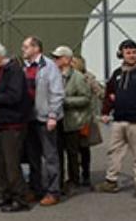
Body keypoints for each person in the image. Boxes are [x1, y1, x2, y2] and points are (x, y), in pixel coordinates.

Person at [96, 39, 136, 199]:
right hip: (119, 121)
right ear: (121, 54)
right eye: (127, 52)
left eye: (134, 52)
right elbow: (109, 94)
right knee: (114, 152)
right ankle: (111, 181)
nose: (131, 55)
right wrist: (105, 112)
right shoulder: (117, 74)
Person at [0, 42, 31, 213]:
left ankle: (20, 198)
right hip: (2, 122)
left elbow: (14, 96)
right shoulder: (3, 71)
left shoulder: (13, 71)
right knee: (2, 163)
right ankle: (6, 194)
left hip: (13, 123)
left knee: (12, 163)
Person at [20, 36, 65, 206]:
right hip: (29, 118)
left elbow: (57, 92)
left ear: (36, 48)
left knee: (50, 156)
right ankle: (35, 188)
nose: (23, 49)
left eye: (26, 46)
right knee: (32, 156)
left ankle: (53, 191)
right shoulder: (24, 68)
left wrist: (53, 115)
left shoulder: (49, 66)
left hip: (45, 118)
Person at [52, 46, 91, 196]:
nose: (55, 60)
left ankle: (74, 181)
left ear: (67, 59)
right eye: (55, 57)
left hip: (72, 121)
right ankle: (59, 181)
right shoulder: (54, 75)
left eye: (58, 57)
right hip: (57, 120)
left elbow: (86, 98)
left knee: (72, 153)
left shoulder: (78, 77)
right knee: (57, 153)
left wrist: (65, 101)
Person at [72, 56, 104, 186]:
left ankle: (85, 174)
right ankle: (74, 175)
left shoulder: (88, 78)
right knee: (71, 148)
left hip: (85, 119)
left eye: (73, 62)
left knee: (84, 147)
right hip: (70, 117)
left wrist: (107, 99)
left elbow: (100, 92)